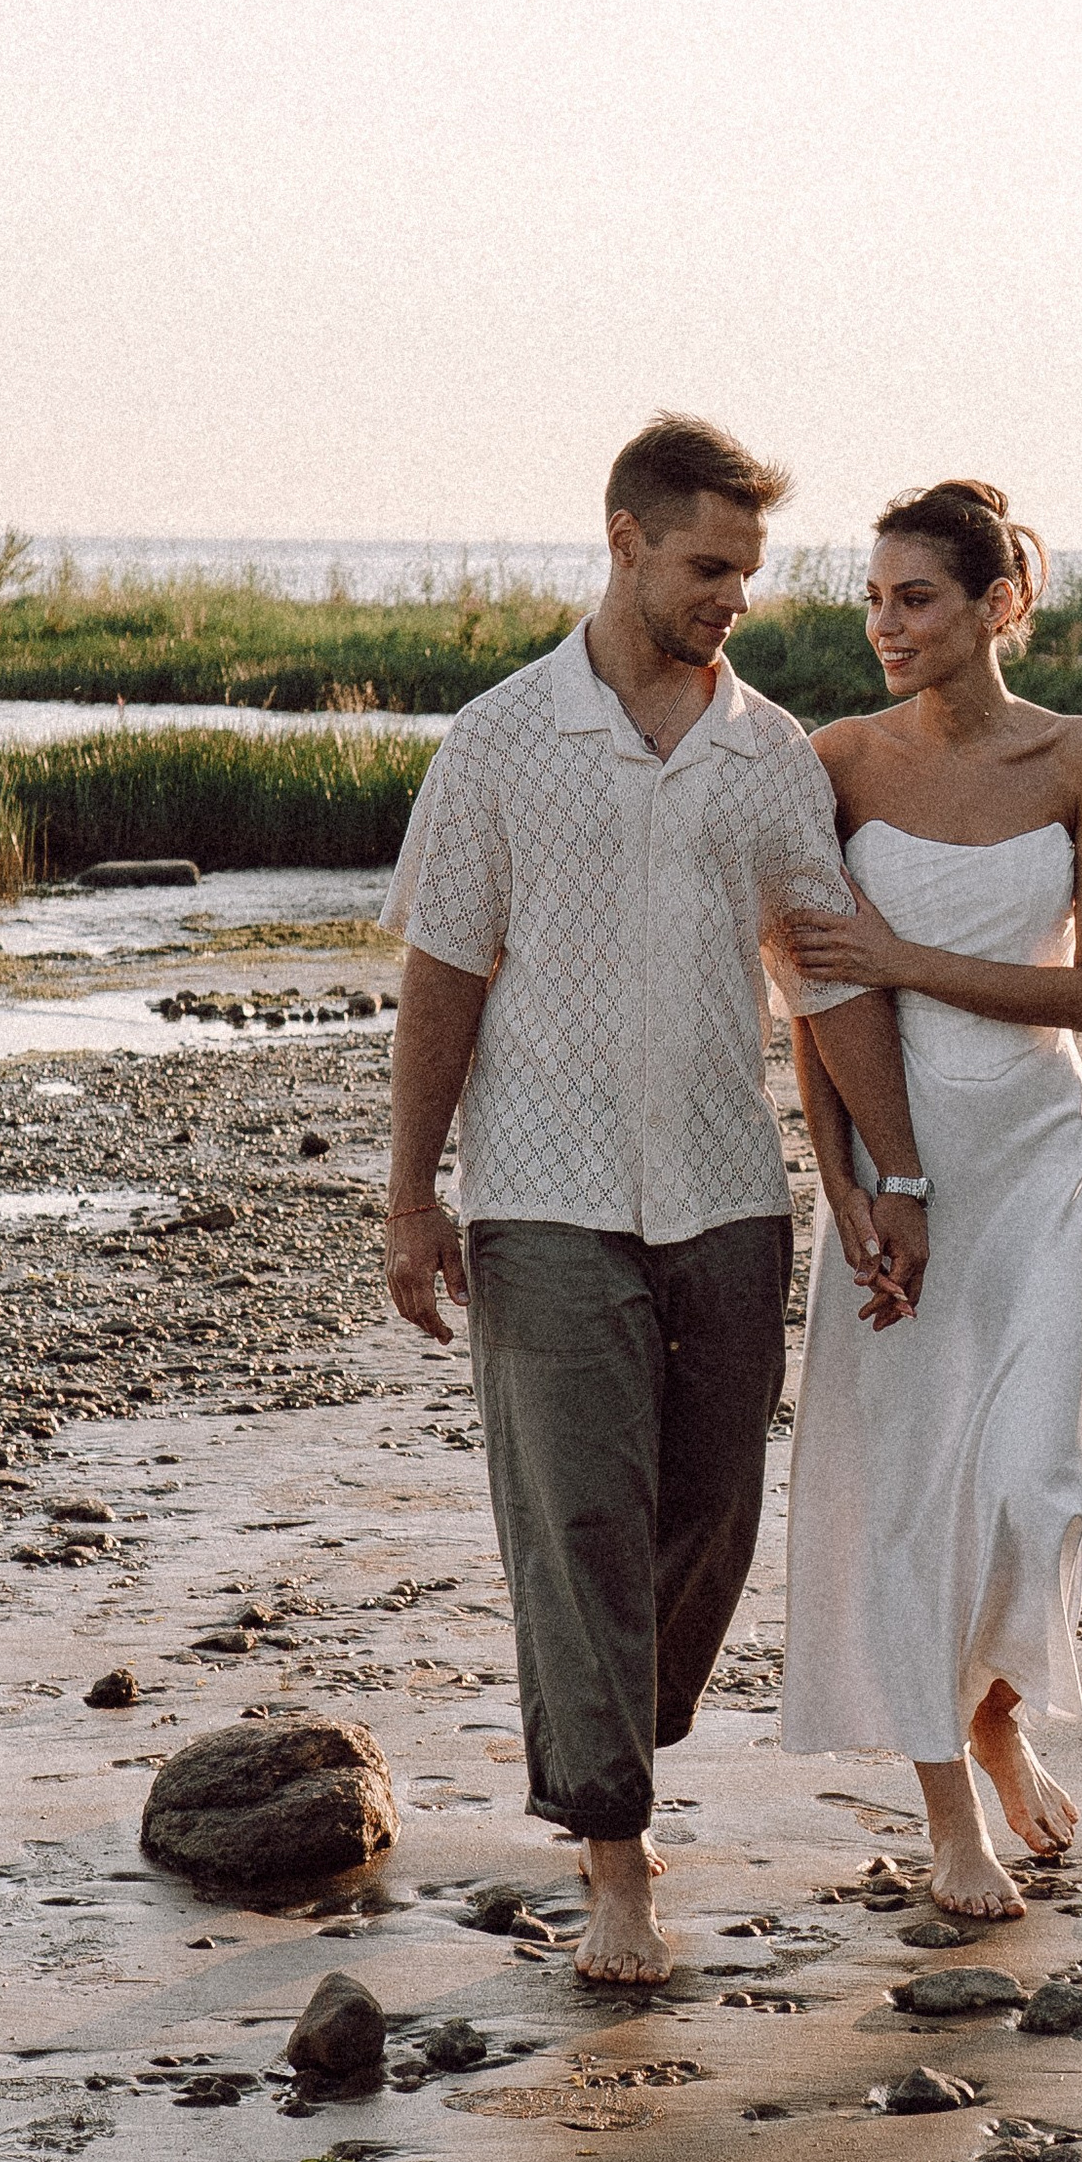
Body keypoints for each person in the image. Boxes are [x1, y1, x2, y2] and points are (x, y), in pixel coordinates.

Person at [380, 413, 932, 1987]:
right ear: (623, 539)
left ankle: (616, 1716)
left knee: (710, 1516)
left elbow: (825, 986)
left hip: (723, 1193)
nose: (731, 601)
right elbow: (443, 980)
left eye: (749, 575)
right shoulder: (497, 742)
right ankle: (616, 1855)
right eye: (708, 567)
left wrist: (889, 1178)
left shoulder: (769, 756)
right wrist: (412, 1197)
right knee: (579, 1523)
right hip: (543, 1197)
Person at [781, 479, 1082, 1918]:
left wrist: (902, 951)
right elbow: (812, 995)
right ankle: (949, 1807)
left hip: (1038, 1156)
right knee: (909, 1485)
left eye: (914, 596)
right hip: (896, 1160)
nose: (884, 624)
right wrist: (850, 1184)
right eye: (872, 597)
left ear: (999, 605)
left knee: (1031, 1481)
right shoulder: (837, 761)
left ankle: (994, 1702)